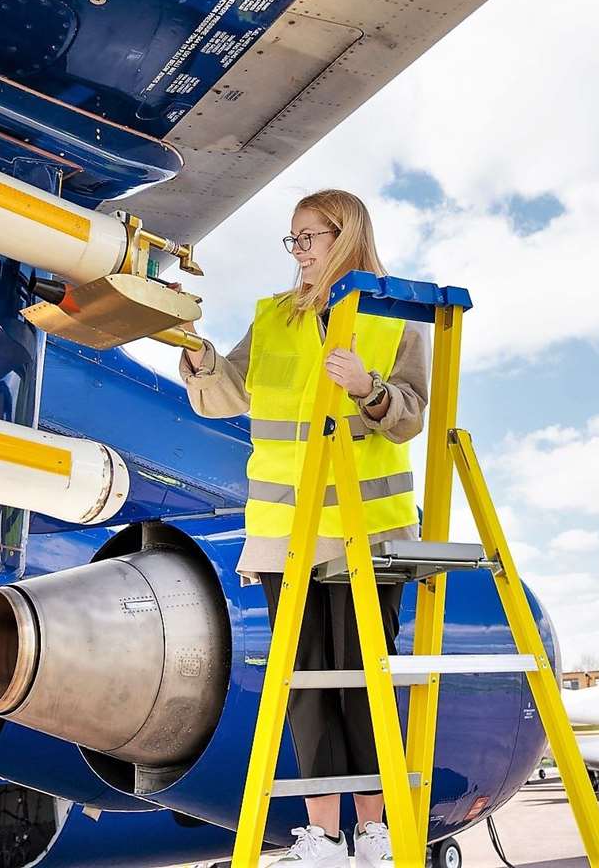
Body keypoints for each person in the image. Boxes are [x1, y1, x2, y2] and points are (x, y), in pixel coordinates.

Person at [179, 189, 428, 867]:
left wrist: (368, 388)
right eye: (292, 240)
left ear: (346, 235)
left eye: (309, 236)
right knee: (305, 683)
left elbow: (411, 412)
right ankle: (323, 835)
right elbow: (230, 387)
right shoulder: (274, 318)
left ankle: (373, 832)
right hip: (284, 532)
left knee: (358, 680)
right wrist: (199, 360)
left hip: (364, 532)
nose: (300, 251)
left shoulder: (395, 317)